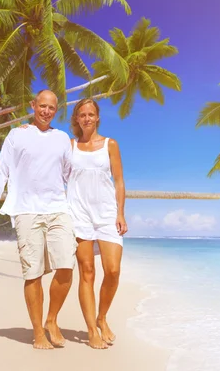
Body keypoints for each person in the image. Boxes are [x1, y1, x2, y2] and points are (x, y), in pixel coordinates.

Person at [0, 90, 77, 350]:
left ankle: (52, 320)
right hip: (26, 209)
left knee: (66, 266)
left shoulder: (62, 139)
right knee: (33, 273)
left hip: (58, 208)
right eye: (42, 106)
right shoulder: (18, 134)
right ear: (33, 106)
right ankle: (37, 331)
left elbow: (71, 175)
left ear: (56, 110)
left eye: (51, 108)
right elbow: (2, 167)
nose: (46, 111)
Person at [67, 98, 128, 349]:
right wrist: (28, 127)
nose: (87, 118)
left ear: (98, 117)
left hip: (106, 214)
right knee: (87, 273)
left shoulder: (110, 144)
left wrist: (121, 213)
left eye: (91, 114)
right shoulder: (69, 145)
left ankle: (102, 317)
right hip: (78, 214)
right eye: (82, 114)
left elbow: (119, 181)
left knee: (112, 270)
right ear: (77, 118)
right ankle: (92, 329)